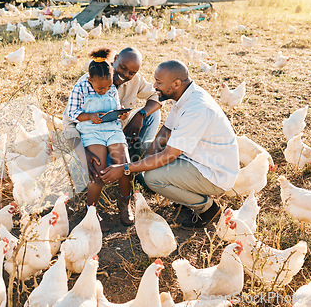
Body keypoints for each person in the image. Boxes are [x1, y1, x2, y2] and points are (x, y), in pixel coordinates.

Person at [100, 60, 239, 230]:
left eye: (158, 82)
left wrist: (125, 168)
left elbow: (169, 155)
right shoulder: (183, 95)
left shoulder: (197, 109)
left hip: (214, 172)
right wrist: (150, 157)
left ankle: (206, 208)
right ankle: (185, 194)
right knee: (144, 148)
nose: (154, 85)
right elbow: (166, 130)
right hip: (196, 158)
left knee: (153, 179)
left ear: (176, 83)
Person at [63, 47, 162, 184]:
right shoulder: (87, 82)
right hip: (93, 140)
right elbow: (68, 125)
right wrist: (83, 154)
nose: (125, 74)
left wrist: (141, 115)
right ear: (115, 59)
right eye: (122, 67)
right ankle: (123, 167)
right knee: (99, 169)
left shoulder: (135, 80)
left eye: (131, 73)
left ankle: (135, 162)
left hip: (118, 136)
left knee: (153, 112)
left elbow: (157, 96)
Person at [66, 48, 133, 231]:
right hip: (91, 131)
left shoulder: (111, 87)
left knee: (124, 165)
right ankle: (91, 210)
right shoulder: (80, 87)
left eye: (108, 87)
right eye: (100, 88)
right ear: (90, 80)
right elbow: (72, 114)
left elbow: (115, 106)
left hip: (111, 129)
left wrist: (120, 114)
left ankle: (125, 202)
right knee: (98, 170)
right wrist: (89, 116)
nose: (104, 91)